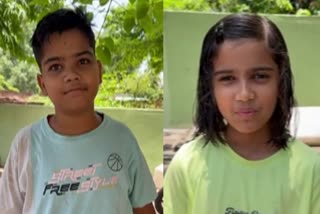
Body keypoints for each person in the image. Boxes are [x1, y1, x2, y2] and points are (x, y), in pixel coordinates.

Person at [0, 8, 157, 214]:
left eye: (82, 62)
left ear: (99, 71)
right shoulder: (26, 145)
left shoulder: (122, 139)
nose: (71, 75)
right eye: (56, 67)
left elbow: (144, 209)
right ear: (42, 83)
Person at [164, 13, 320, 214]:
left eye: (260, 76)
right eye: (228, 78)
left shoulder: (312, 170)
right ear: (209, 86)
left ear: (281, 81)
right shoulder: (186, 165)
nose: (245, 95)